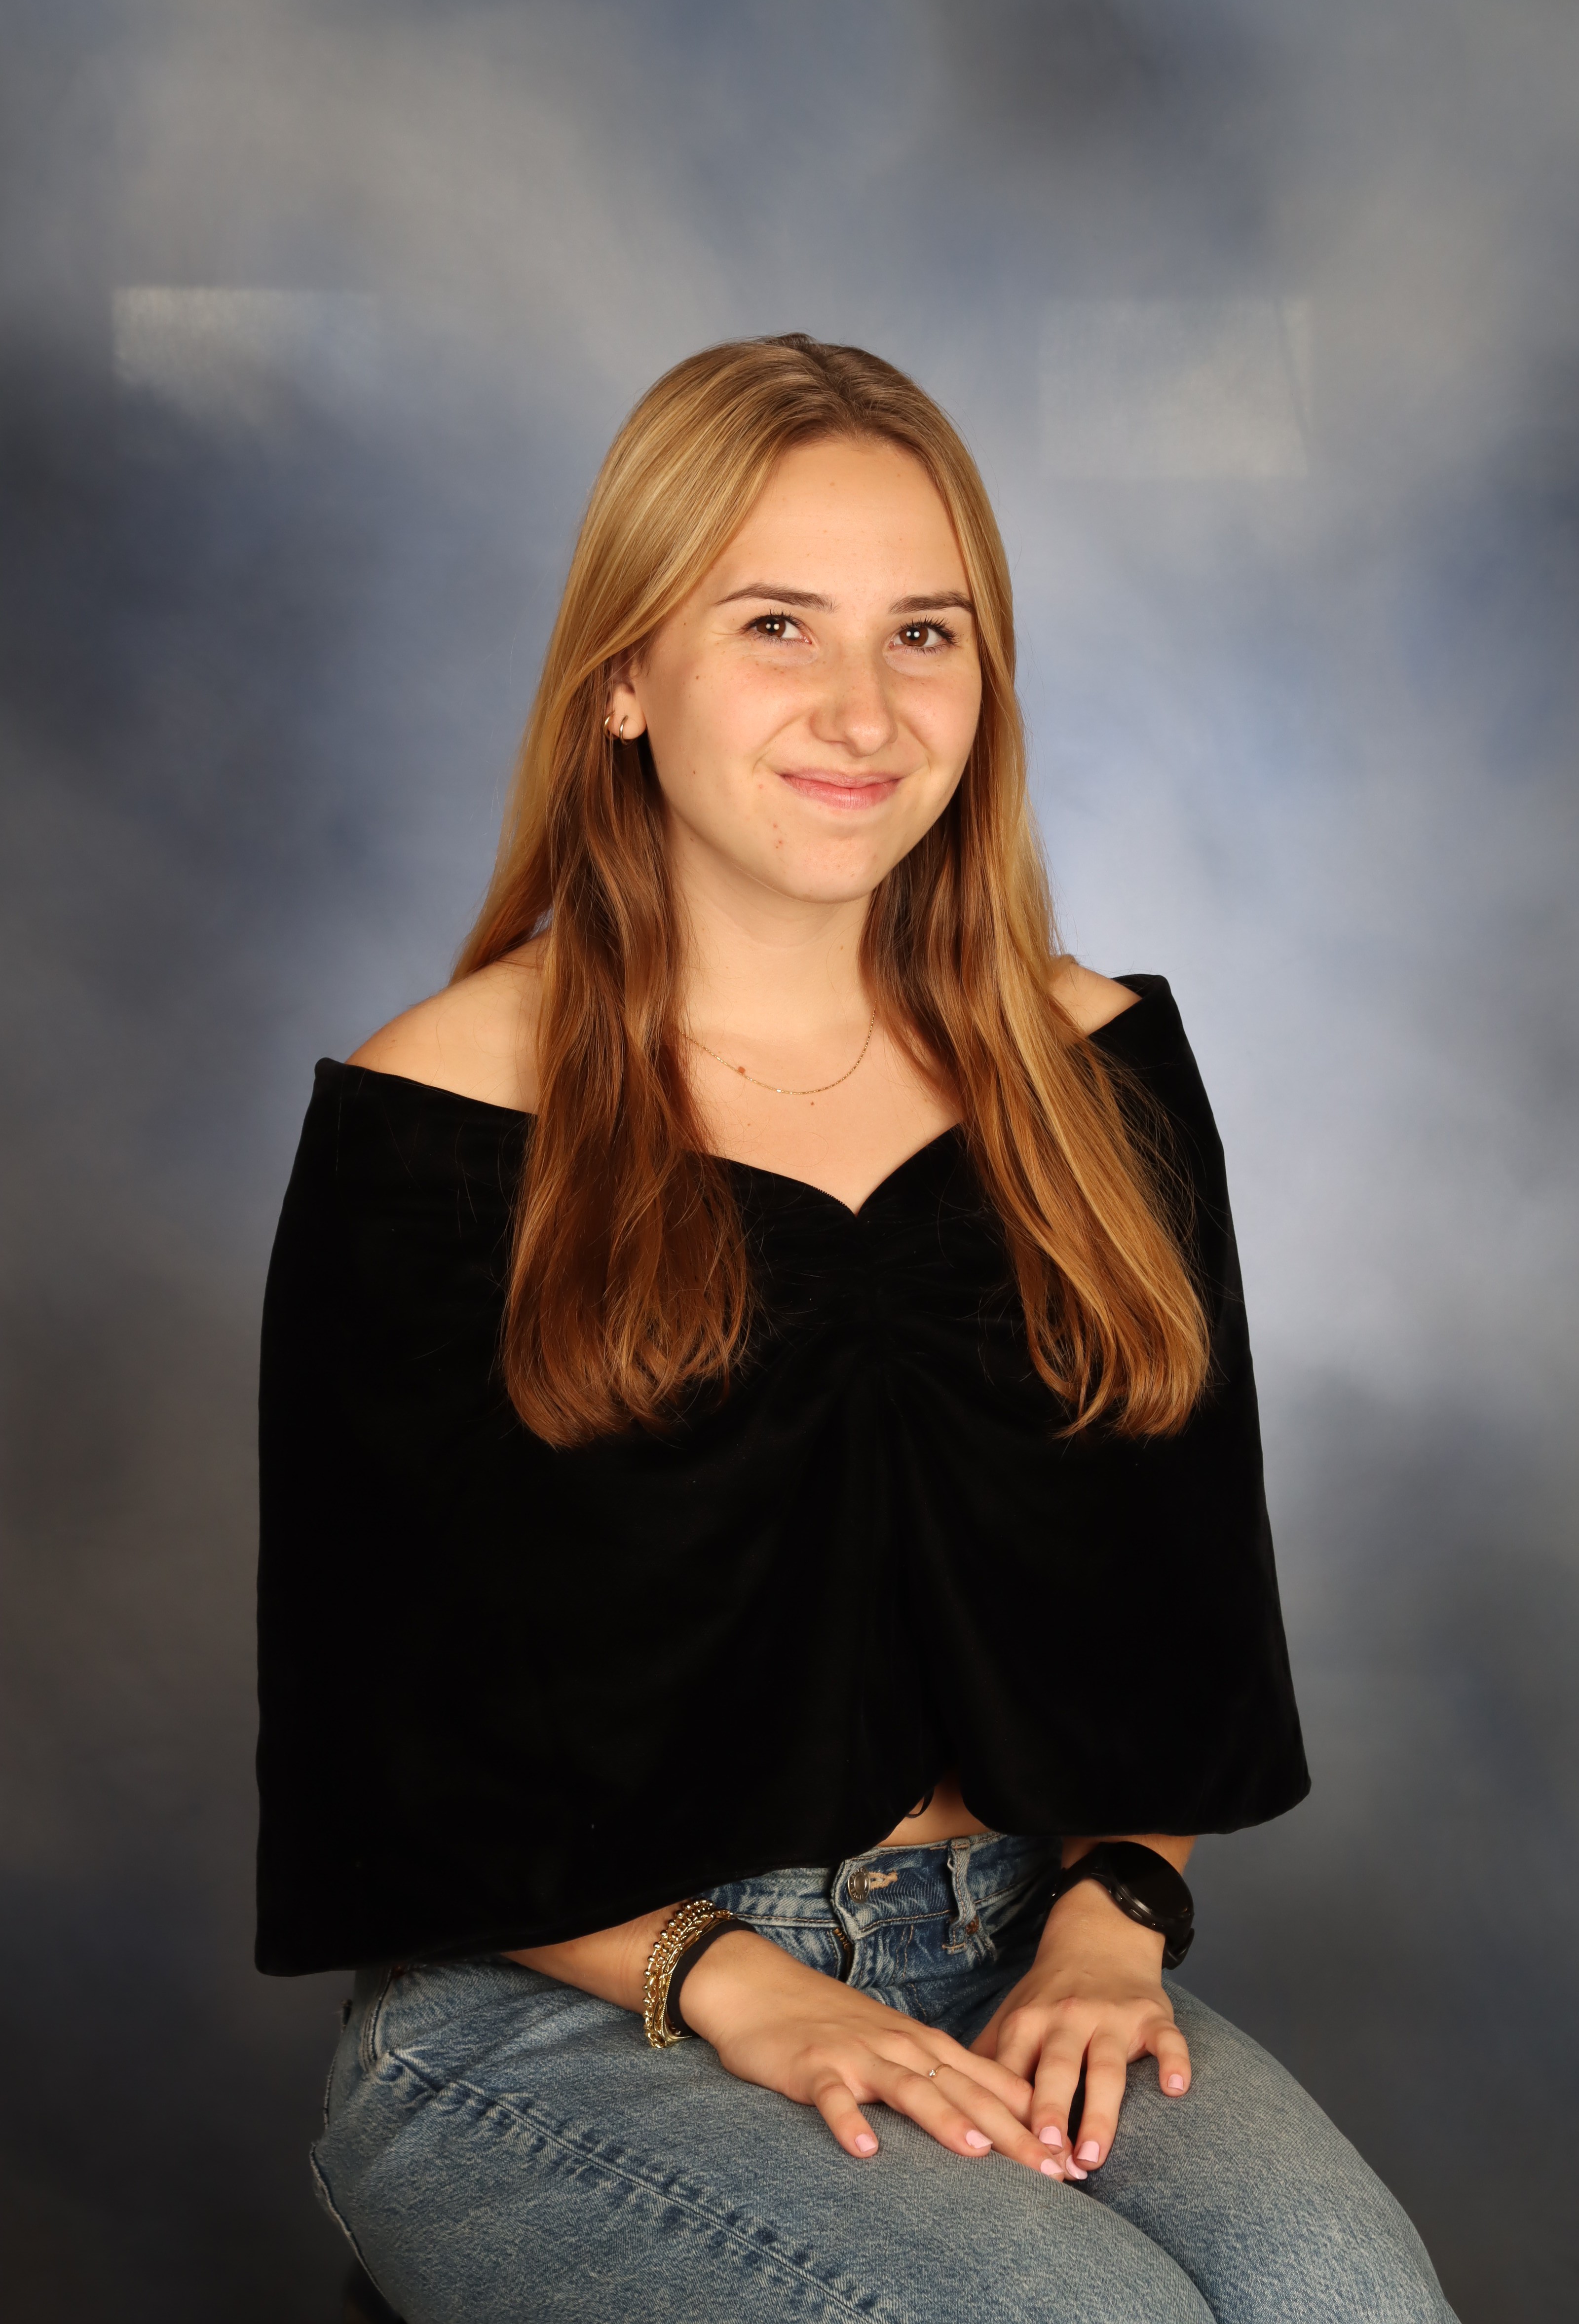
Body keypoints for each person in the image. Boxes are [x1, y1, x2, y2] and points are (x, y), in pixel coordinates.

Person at [257, 333, 1456, 2324]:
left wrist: (1114, 1916)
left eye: (924, 633)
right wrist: (746, 1990)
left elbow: (1174, 1638)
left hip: (1012, 1941)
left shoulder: (1089, 1070)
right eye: (774, 625)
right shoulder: (446, 1113)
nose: (863, 709)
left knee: (1350, 2303)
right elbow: (383, 1751)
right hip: (573, 2003)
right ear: (622, 677)